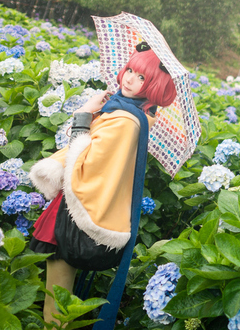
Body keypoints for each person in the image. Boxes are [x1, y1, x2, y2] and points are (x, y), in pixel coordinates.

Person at [28, 44, 176, 327]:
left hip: (77, 209)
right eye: (130, 70)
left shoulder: (125, 121)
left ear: (154, 85)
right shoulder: (123, 111)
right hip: (77, 206)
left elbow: (88, 163)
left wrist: (84, 113)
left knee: (56, 300)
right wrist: (95, 114)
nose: (129, 79)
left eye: (141, 77)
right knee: (61, 296)